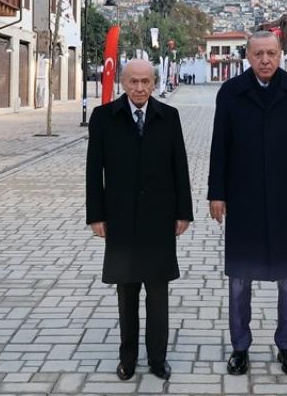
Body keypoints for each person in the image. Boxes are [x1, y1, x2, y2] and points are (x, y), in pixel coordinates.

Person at [208, 31, 287, 377]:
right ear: (248, 56)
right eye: (258, 54)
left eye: (271, 53)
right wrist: (217, 193)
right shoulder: (230, 93)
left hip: (286, 197)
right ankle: (240, 347)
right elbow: (219, 146)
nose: (266, 60)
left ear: (281, 54)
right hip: (244, 199)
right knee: (240, 278)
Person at [86, 59, 193, 382]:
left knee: (158, 293)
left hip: (160, 219)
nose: (140, 88)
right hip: (120, 219)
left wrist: (183, 212)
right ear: (122, 82)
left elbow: (180, 167)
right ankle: (128, 357)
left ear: (154, 82)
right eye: (133, 81)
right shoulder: (104, 118)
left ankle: (158, 359)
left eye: (146, 81)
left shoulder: (169, 116)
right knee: (127, 291)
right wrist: (96, 215)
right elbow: (94, 171)